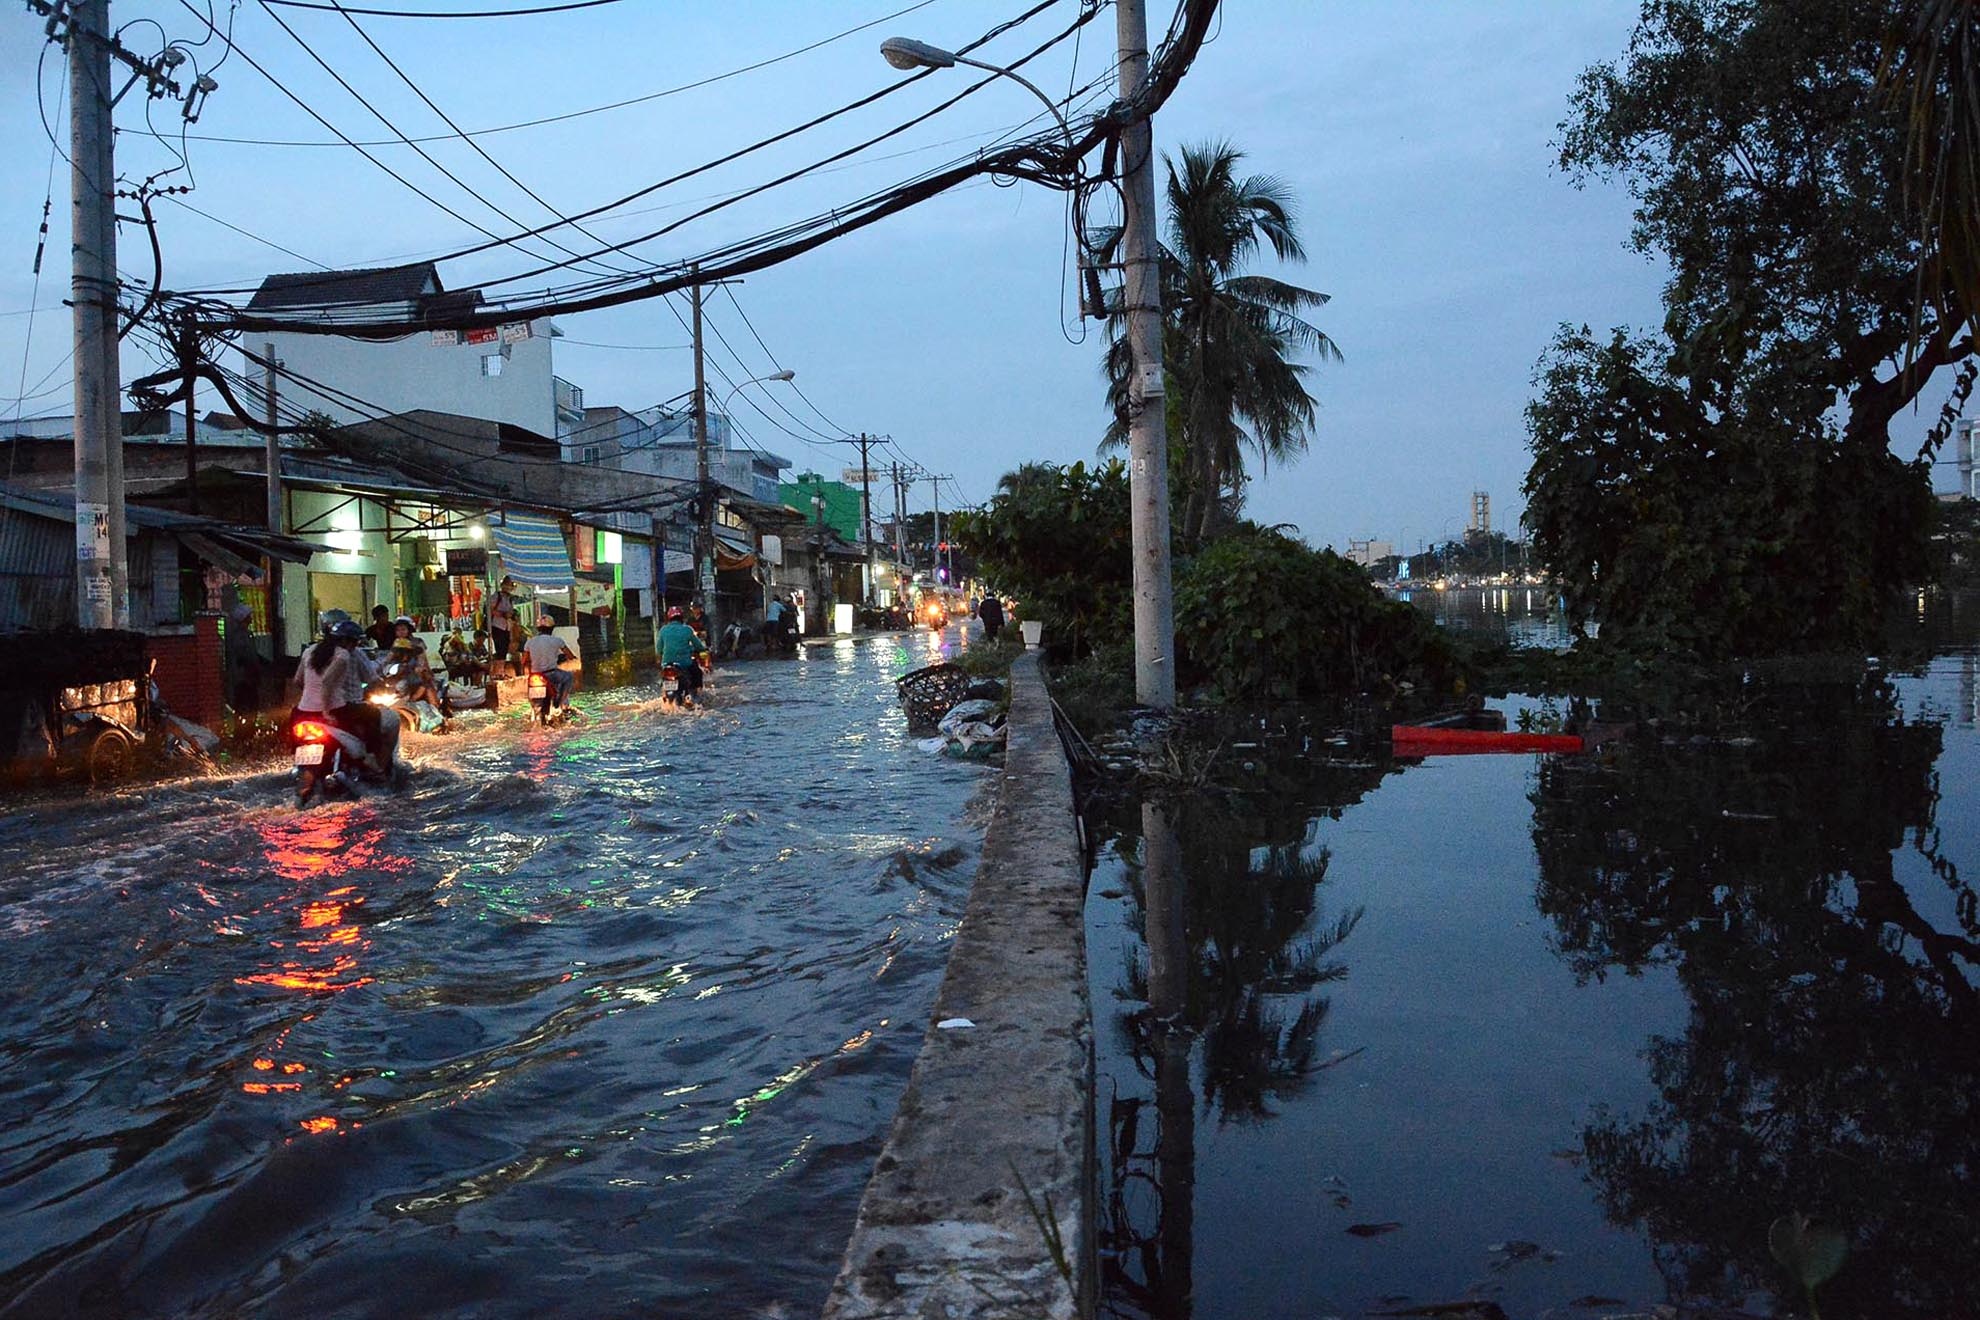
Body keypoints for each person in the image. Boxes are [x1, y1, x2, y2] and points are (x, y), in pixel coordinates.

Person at [290, 613, 388, 772]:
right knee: (374, 714)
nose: (355, 647)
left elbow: (297, 681)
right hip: (335, 709)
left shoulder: (310, 651)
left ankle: (295, 759)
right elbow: (327, 682)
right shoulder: (343, 655)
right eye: (354, 642)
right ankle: (371, 758)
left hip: (303, 711)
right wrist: (326, 711)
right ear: (345, 641)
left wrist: (310, 698)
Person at [521, 614, 577, 711]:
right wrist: (572, 658)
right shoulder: (557, 640)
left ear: (538, 628)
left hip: (535, 675)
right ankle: (560, 701)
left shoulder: (530, 642)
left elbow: (524, 660)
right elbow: (570, 656)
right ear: (552, 628)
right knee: (569, 676)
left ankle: (534, 706)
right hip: (551, 673)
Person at [658, 605, 708, 699]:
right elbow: (698, 645)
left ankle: (665, 694)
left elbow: (658, 649)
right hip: (684, 663)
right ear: (681, 617)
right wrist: (702, 650)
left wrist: (661, 660)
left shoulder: (663, 630)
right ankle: (698, 694)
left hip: (666, 664)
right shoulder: (687, 629)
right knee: (697, 672)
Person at [489, 577, 519, 677]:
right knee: (499, 651)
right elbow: (490, 610)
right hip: (497, 626)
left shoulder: (509, 599)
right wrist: (503, 615)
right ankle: (497, 673)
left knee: (504, 651)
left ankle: (501, 672)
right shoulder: (496, 596)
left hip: (507, 627)